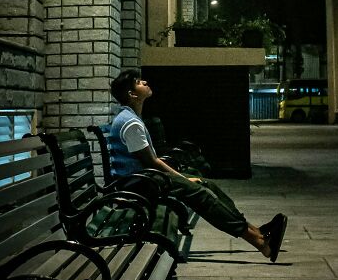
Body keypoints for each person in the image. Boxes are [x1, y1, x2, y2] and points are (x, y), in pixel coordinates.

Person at [108, 69, 287, 263]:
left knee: (207, 185)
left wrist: (183, 178)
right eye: (138, 82)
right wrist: (183, 179)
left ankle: (256, 231)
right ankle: (261, 243)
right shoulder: (130, 123)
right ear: (132, 94)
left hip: (145, 179)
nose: (144, 82)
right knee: (200, 193)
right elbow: (151, 161)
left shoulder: (130, 117)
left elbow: (151, 162)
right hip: (139, 185)